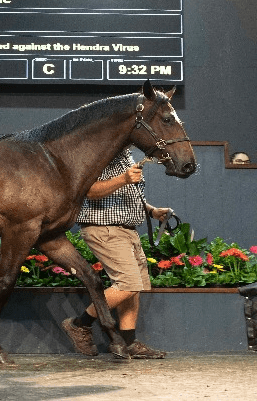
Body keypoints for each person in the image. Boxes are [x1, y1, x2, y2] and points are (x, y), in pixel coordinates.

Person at [61, 149, 171, 359]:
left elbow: (127, 196)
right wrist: (123, 179)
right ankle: (79, 324)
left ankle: (128, 342)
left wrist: (151, 211)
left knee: (134, 287)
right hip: (105, 228)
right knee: (128, 284)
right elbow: (90, 191)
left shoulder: (125, 155)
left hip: (127, 230)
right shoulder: (99, 154)